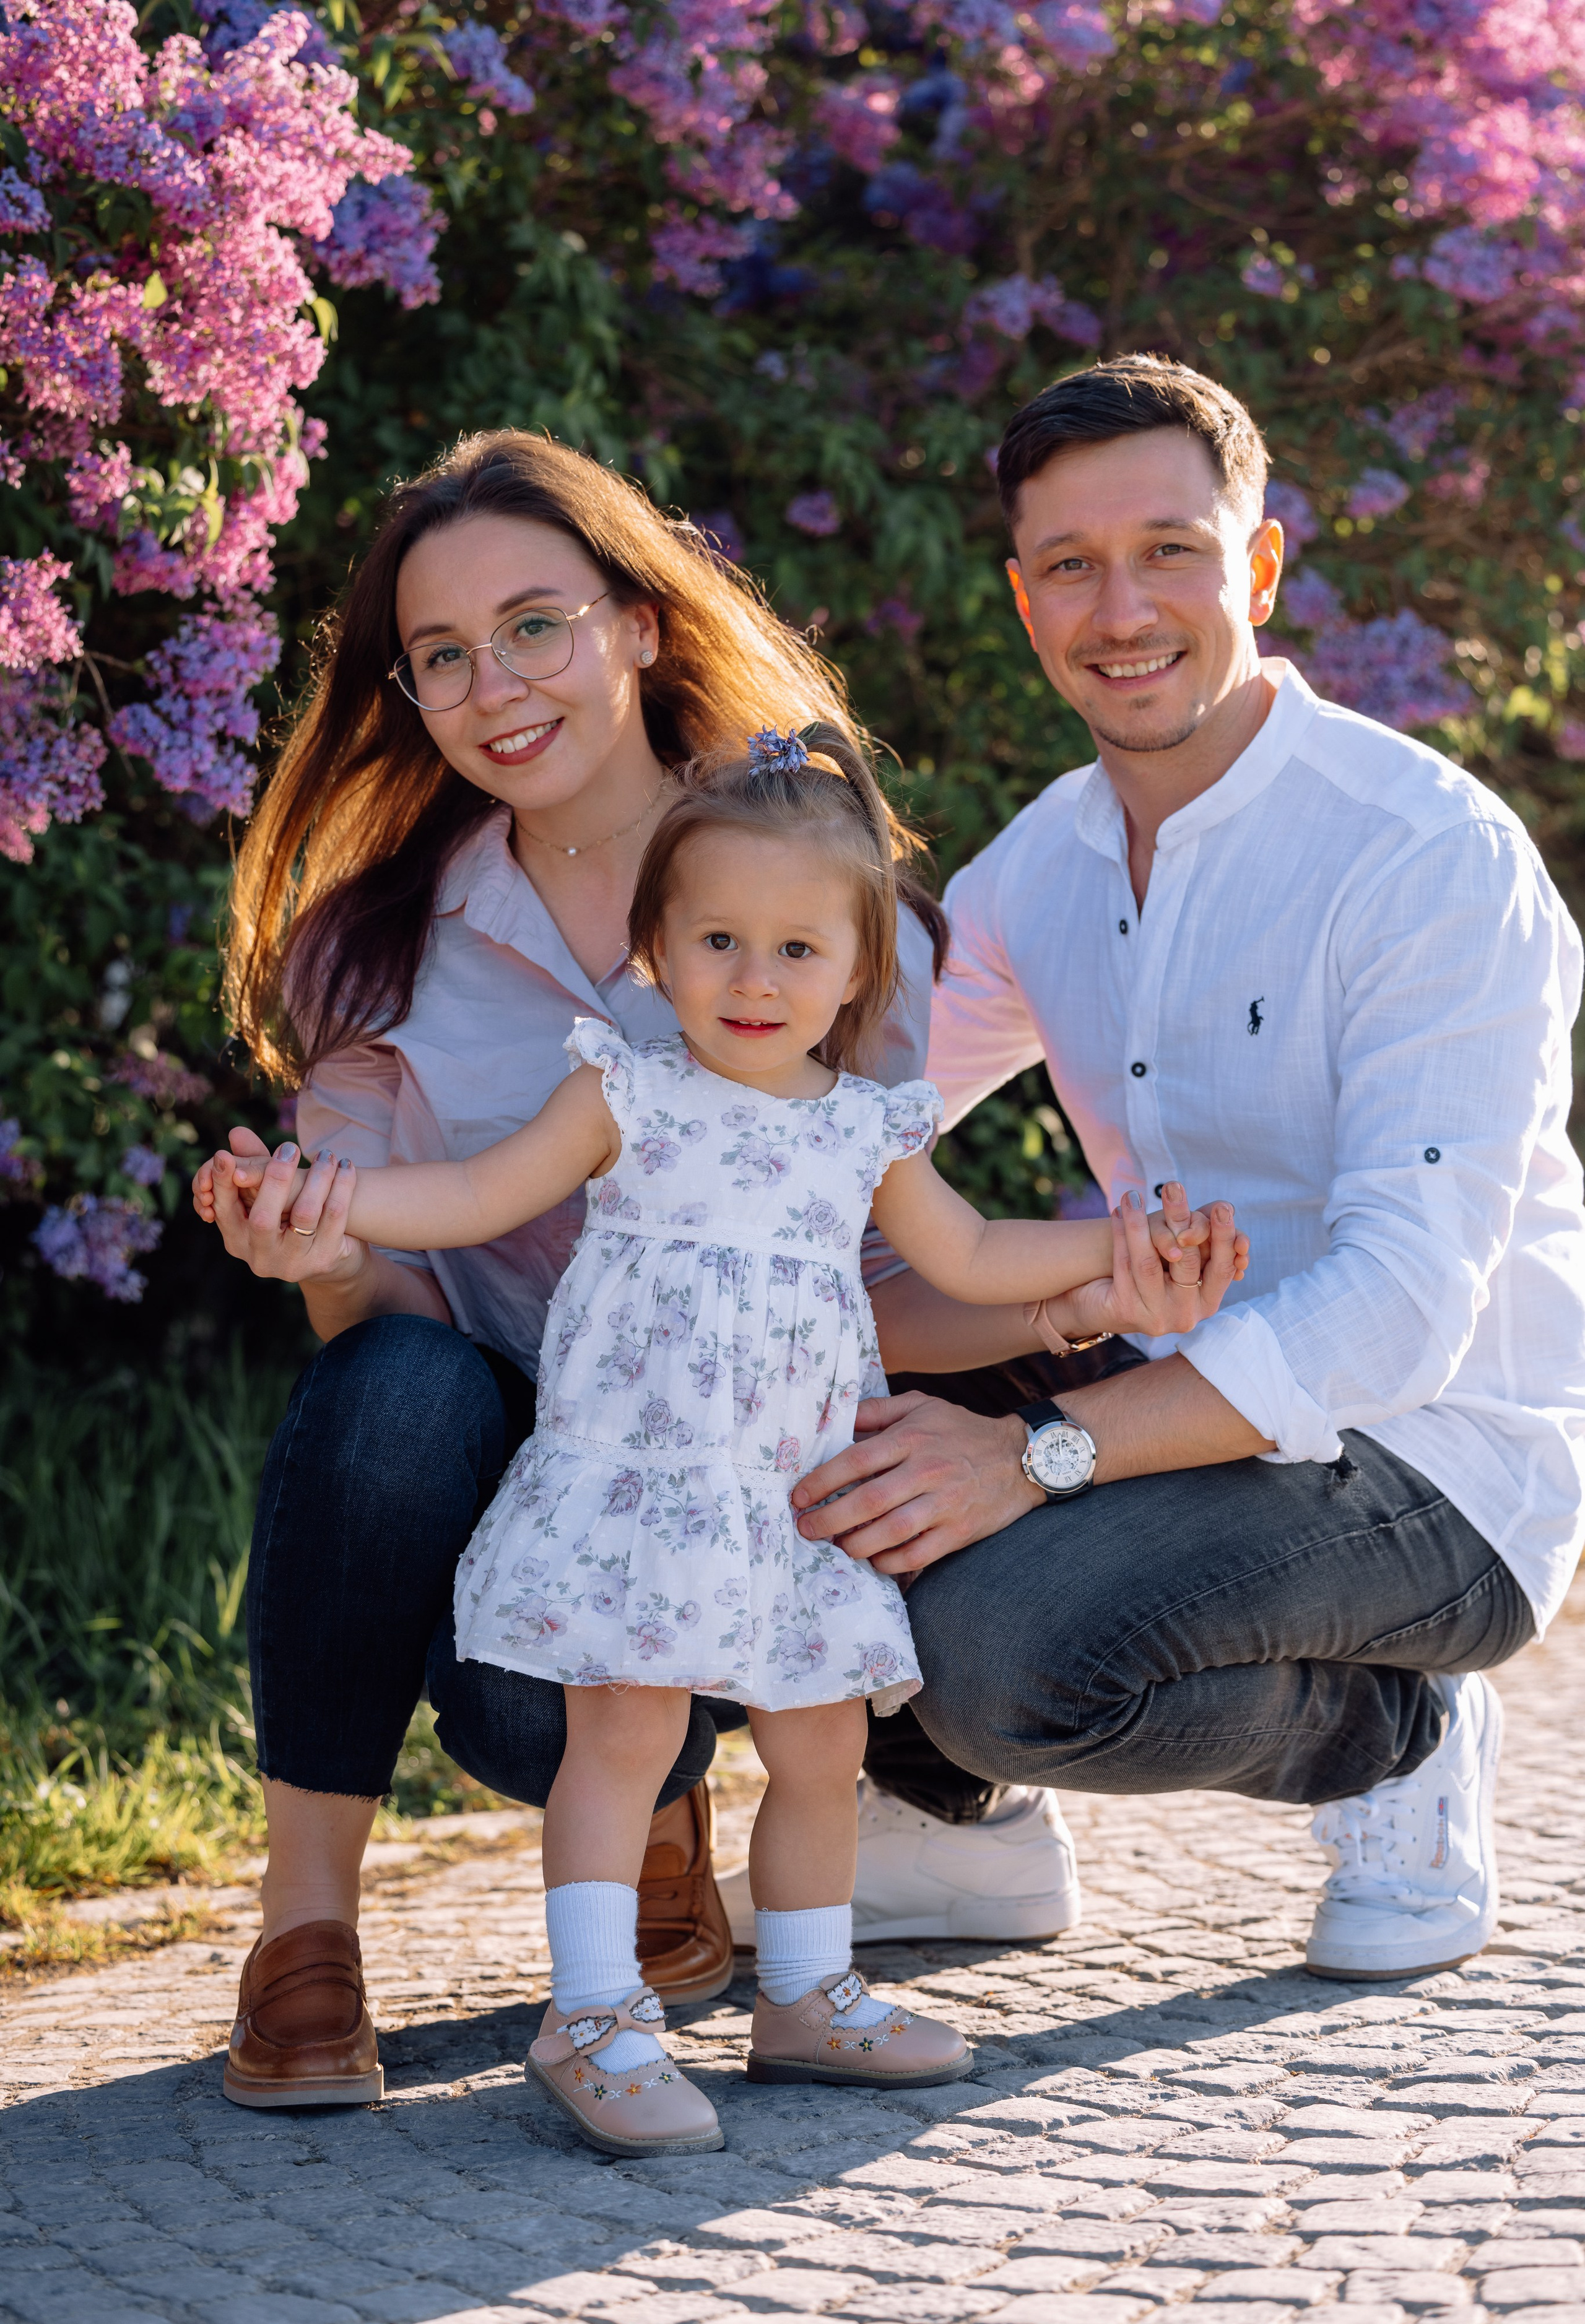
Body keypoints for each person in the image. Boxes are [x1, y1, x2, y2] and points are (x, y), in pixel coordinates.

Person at [208, 722, 1246, 2143]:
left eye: (796, 951)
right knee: (622, 1731)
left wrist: (1106, 1268)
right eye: (716, 941)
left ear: (856, 971)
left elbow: (967, 1253)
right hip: (638, 1484)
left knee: (818, 1741)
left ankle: (805, 1992)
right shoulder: (623, 1093)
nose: (754, 980)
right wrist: (320, 1198)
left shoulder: (863, 1130)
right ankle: (593, 2016)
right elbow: (463, 1196)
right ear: (656, 949)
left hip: (789, 1496)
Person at [777, 353, 1585, 1985]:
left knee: (1001, 1648)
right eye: (1070, 565)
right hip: (1178, 1367)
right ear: (1023, 601)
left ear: (1261, 568)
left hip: (1442, 1459)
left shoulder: (1426, 854)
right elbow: (824, 1108)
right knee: (780, 1353)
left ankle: (1396, 1729)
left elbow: (1401, 1314)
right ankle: (951, 1820)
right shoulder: (1046, 863)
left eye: (1169, 551)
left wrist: (1032, 1457)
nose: (1119, 606)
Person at [200, 429, 957, 2108]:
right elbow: (386, 1320)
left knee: (734, 1662)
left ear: (633, 620)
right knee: (384, 1380)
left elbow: (895, 1246)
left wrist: (1078, 1342)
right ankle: (308, 1921)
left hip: (747, 1468)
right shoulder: (369, 940)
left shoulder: (818, 876)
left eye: (535, 625)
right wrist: (319, 1246)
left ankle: (672, 1826)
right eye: (444, 656)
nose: (494, 684)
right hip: (527, 1481)